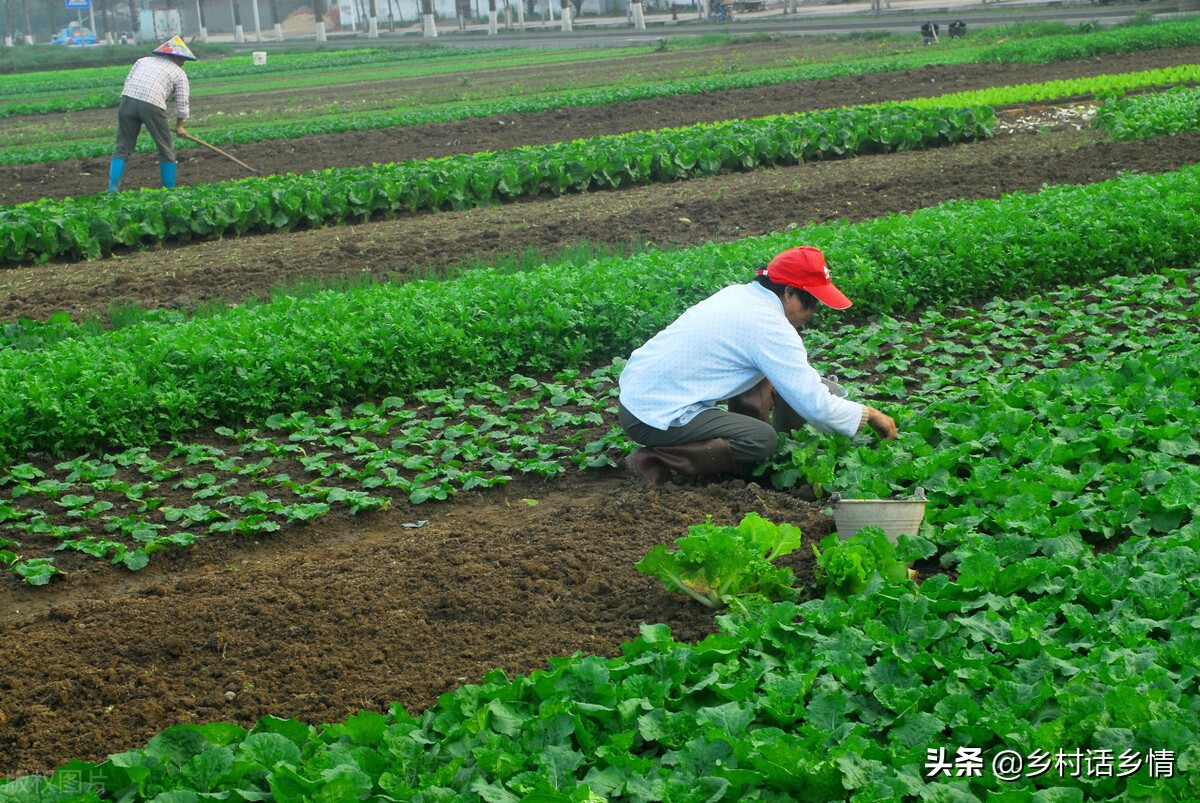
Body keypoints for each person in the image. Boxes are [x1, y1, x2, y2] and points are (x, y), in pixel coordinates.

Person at [618, 245, 898, 486]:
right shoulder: (770, 327)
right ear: (789, 292)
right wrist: (870, 415)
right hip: (654, 415)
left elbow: (802, 383)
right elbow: (816, 406)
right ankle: (656, 460)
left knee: (814, 387)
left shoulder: (739, 295)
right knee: (761, 440)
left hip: (642, 393)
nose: (812, 312)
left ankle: (769, 444)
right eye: (811, 301)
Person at [107, 35, 196, 193]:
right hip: (152, 104)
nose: (184, 63)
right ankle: (169, 191)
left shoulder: (142, 61)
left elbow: (128, 81)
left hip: (127, 101)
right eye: (183, 59)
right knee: (165, 149)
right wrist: (180, 126)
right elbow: (182, 103)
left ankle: (112, 188)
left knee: (122, 147)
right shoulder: (179, 73)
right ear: (176, 57)